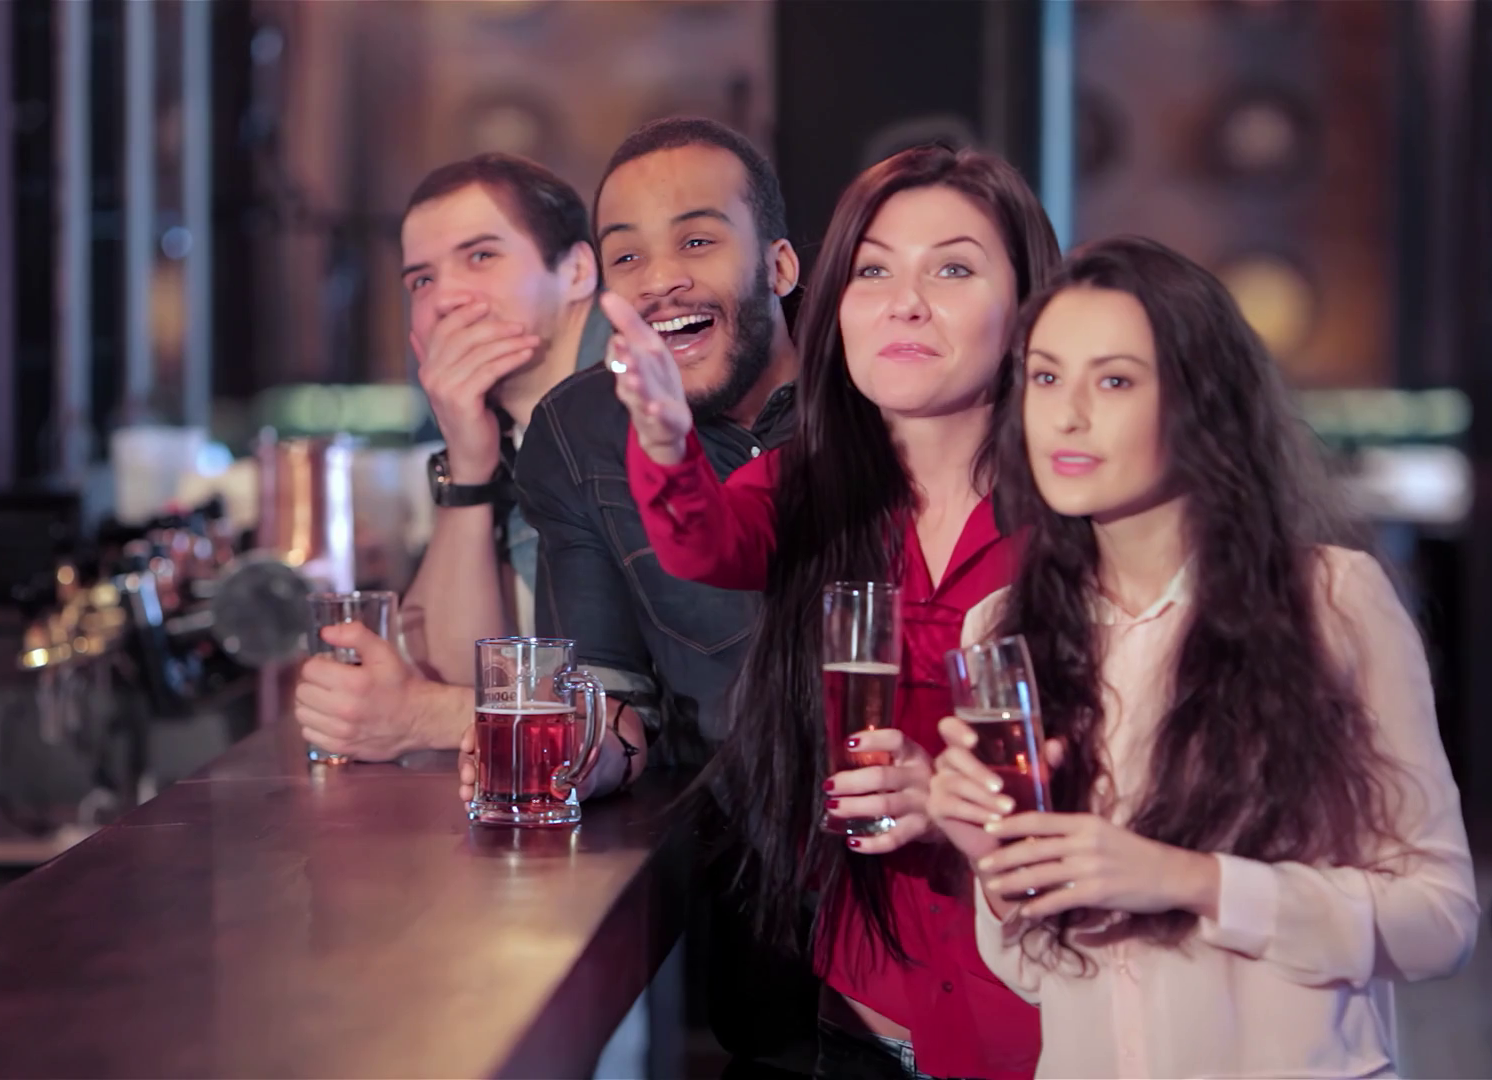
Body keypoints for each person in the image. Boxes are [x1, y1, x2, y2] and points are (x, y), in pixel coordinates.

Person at [926, 236, 1477, 1079]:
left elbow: (1440, 922)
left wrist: (1192, 881)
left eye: (1114, 381)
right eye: (1045, 378)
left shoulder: (1330, 601)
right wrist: (992, 862)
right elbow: (1035, 974)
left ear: (1201, 402)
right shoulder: (1001, 629)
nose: (1067, 415)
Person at [610, 143, 1060, 1080]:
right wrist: (664, 436)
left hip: (1049, 1020)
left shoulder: (1083, 512)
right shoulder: (811, 485)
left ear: (1028, 311)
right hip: (866, 1014)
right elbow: (702, 543)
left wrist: (951, 800)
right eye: (872, 271)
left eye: (952, 269)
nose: (905, 302)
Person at [503, 117, 816, 1077]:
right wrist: (577, 750)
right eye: (627, 255)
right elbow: (608, 692)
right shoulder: (579, 434)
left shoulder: (882, 397)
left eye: (697, 240)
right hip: (764, 939)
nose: (660, 280)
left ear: (780, 265)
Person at [295, 153, 641, 794]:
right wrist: (469, 465)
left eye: (481, 256)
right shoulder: (512, 437)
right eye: (421, 280)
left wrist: (421, 715)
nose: (445, 298)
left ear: (576, 270)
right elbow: (458, 671)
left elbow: (648, 717)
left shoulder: (641, 407)